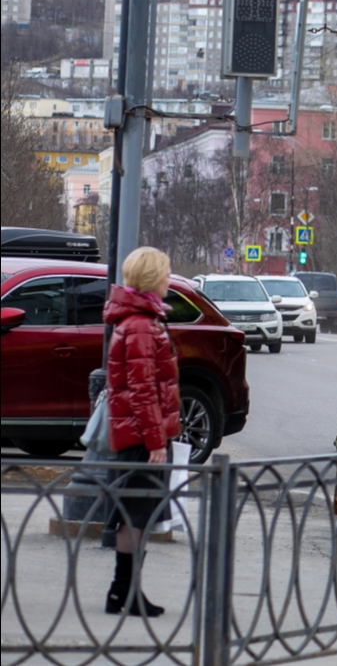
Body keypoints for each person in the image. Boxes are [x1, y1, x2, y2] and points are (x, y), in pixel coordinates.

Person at [102, 246, 181, 617]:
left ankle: (123, 592)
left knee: (135, 515)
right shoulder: (140, 325)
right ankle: (125, 593)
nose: (169, 279)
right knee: (136, 516)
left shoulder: (140, 319)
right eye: (165, 274)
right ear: (152, 278)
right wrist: (156, 442)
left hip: (136, 435)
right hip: (140, 438)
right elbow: (142, 390)